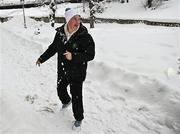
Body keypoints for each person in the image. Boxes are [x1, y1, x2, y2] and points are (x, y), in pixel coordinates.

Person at [36, 8, 95, 128]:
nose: (77, 21)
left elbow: (90, 55)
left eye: (78, 19)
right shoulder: (60, 33)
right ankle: (66, 101)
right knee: (60, 89)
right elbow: (53, 48)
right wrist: (42, 58)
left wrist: (73, 56)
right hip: (63, 69)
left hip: (77, 72)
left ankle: (78, 118)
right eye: (74, 19)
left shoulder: (84, 36)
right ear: (68, 20)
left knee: (77, 96)